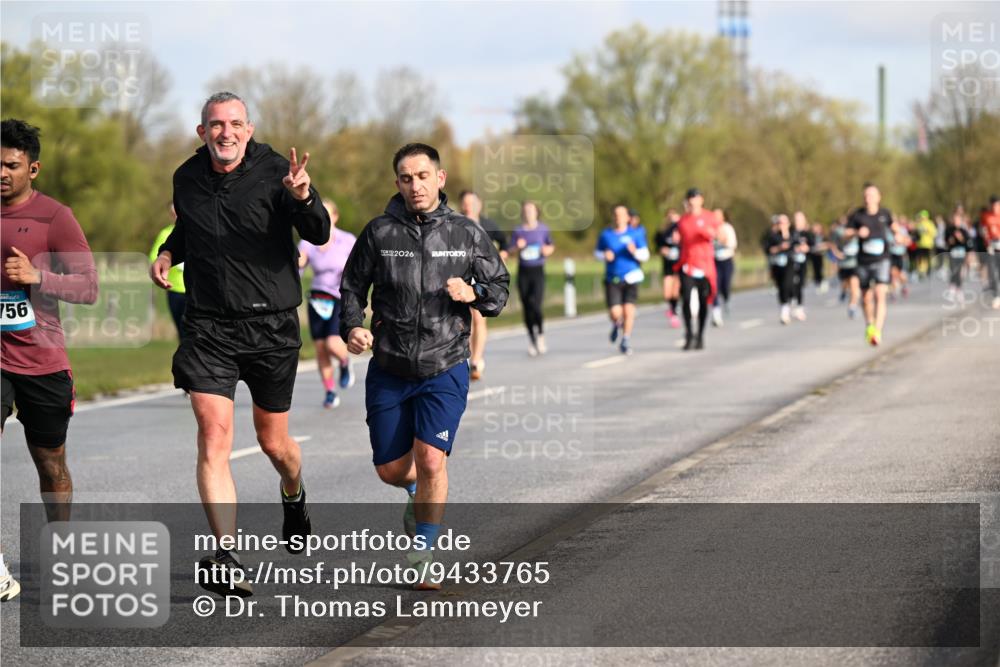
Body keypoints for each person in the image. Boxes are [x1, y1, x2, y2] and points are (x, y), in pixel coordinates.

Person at [149, 92, 330, 597]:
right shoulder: (186, 177)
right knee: (214, 435)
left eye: (235, 124)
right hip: (208, 327)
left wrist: (303, 197)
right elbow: (192, 230)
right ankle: (226, 555)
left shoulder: (278, 171)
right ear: (201, 131)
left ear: (248, 130)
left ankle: (293, 495)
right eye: (215, 124)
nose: (225, 132)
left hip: (270, 327)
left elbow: (318, 234)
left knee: (275, 444)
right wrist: (167, 253)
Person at [339, 143, 509, 589]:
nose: (414, 185)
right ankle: (412, 490)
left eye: (422, 176)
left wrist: (474, 295)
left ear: (440, 178)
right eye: (405, 177)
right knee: (392, 470)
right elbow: (352, 288)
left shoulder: (467, 234)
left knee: (432, 459)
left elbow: (499, 289)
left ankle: (424, 551)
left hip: (446, 362)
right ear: (397, 183)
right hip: (390, 366)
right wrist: (353, 328)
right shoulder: (378, 233)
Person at [1, 119, 98, 602]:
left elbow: (88, 288)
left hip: (42, 360)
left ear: (32, 168)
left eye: (10, 165)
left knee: (50, 464)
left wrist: (36, 275)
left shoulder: (56, 216)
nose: (0, 172)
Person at [298, 199, 356, 408]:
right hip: (317, 298)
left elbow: (360, 266)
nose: (323, 218)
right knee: (321, 347)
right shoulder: (308, 241)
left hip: (340, 296)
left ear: (336, 217)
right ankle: (330, 391)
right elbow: (300, 266)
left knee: (333, 342)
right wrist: (298, 263)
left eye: (328, 214)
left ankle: (344, 361)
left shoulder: (347, 240)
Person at [459, 190, 508, 379]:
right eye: (465, 203)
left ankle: (476, 361)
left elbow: (504, 244)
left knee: (479, 318)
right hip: (462, 275)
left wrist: (500, 256)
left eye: (472, 202)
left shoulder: (488, 225)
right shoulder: (454, 223)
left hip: (483, 275)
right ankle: (467, 356)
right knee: (466, 319)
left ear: (479, 205)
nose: (469, 206)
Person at [846, 183, 897, 346]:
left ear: (879, 197)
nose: (869, 199)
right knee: (866, 298)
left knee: (880, 294)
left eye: (872, 195)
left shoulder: (885, 214)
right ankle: (869, 324)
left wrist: (901, 235)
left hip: (882, 259)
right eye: (866, 196)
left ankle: (878, 331)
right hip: (864, 261)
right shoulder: (857, 216)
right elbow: (845, 234)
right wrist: (856, 232)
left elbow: (895, 228)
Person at [596, 204, 650, 355]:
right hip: (612, 277)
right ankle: (617, 323)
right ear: (613, 217)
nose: (618, 217)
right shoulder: (606, 235)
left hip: (631, 277)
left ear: (627, 217)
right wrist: (604, 255)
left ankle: (625, 339)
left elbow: (645, 255)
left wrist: (635, 252)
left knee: (628, 311)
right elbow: (598, 252)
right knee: (615, 312)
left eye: (621, 215)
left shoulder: (636, 234)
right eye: (616, 214)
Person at [508, 201, 554, 356]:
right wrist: (518, 247)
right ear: (523, 213)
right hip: (523, 271)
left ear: (536, 212)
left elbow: (550, 245)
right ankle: (532, 340)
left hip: (538, 270)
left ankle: (540, 334)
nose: (528, 213)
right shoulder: (518, 231)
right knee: (527, 306)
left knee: (536, 304)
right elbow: (510, 251)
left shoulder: (543, 229)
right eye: (526, 210)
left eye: (531, 210)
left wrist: (546, 250)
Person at [677, 188, 717, 349]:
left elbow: (720, 236)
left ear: (701, 200)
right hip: (687, 265)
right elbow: (679, 240)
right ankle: (688, 334)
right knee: (686, 299)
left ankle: (700, 335)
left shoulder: (710, 217)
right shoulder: (683, 221)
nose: (693, 201)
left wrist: (710, 233)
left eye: (696, 198)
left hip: (705, 265)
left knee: (702, 301)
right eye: (690, 198)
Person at [148, 204, 186, 340]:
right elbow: (154, 257)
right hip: (175, 289)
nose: (176, 215)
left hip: (195, 290)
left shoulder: (196, 230)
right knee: (182, 331)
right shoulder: (166, 234)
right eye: (173, 213)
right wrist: (170, 260)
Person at [654, 209, 682, 328]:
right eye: (669, 216)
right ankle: (672, 308)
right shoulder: (663, 233)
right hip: (667, 264)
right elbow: (658, 247)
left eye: (674, 215)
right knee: (667, 292)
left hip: (679, 264)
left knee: (675, 291)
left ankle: (674, 312)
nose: (671, 218)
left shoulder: (682, 230)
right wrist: (663, 250)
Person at [765, 214, 795, 325]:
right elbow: (768, 249)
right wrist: (778, 248)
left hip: (789, 263)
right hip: (777, 264)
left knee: (788, 284)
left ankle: (788, 306)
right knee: (780, 286)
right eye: (779, 223)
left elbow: (798, 246)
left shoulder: (793, 235)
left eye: (784, 223)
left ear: (788, 224)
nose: (781, 225)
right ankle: (784, 308)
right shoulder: (773, 236)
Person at [712, 208, 737, 327]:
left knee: (725, 285)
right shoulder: (710, 228)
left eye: (718, 215)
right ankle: (716, 315)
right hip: (714, 261)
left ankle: (726, 299)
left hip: (726, 260)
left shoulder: (728, 228)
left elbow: (732, 244)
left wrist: (721, 239)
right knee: (714, 287)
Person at [944, 210, 971, 301]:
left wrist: (960, 238)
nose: (956, 222)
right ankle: (952, 290)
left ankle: (959, 290)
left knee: (959, 272)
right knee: (953, 270)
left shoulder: (963, 231)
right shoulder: (949, 230)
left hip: (961, 253)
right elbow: (946, 241)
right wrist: (951, 240)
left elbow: (967, 243)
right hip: (952, 253)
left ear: (960, 221)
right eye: (955, 220)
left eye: (958, 220)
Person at [981, 195, 1000, 309]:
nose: (995, 208)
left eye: (997, 205)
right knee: (993, 273)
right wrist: (987, 242)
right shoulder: (986, 216)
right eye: (993, 205)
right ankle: (996, 296)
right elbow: (983, 230)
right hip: (992, 247)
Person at [888, 215, 911, 300]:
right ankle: (893, 292)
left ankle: (904, 285)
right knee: (893, 274)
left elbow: (908, 241)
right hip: (891, 255)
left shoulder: (902, 230)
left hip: (900, 255)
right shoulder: (888, 231)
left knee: (901, 274)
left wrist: (902, 241)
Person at [809, 221, 828, 294]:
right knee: (815, 270)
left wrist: (822, 247)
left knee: (821, 269)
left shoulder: (823, 236)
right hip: (814, 255)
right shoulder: (811, 236)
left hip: (821, 255)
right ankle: (818, 284)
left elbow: (828, 244)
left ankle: (823, 282)